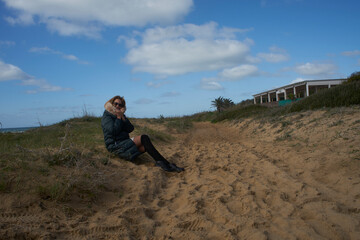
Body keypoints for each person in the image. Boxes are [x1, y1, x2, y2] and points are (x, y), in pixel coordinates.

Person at [101, 96, 184, 172]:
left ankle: (164, 163)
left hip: (124, 143)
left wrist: (122, 117)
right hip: (115, 146)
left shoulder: (120, 115)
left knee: (145, 146)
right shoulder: (107, 116)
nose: (118, 106)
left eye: (120, 105)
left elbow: (130, 129)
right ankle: (166, 164)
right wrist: (119, 118)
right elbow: (113, 132)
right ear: (112, 104)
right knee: (144, 138)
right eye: (116, 104)